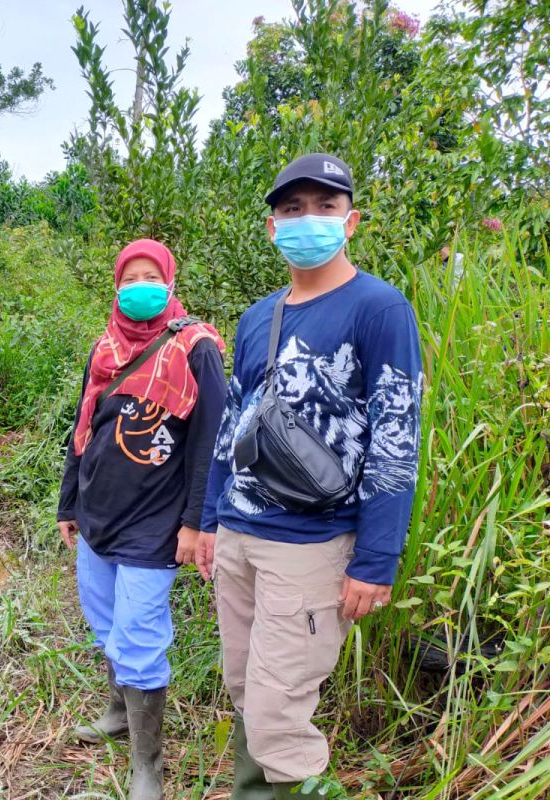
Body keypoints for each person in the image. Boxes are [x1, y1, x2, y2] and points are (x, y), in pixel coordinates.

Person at [197, 154, 423, 799]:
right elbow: (233, 425)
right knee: (245, 685)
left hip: (312, 545)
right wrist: (211, 519)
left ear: (350, 222)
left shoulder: (379, 308)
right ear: (272, 227)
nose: (309, 221)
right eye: (293, 209)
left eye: (325, 208)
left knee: (279, 707)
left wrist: (376, 559)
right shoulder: (258, 316)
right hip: (240, 534)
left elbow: (395, 436)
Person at [57, 240, 226, 800]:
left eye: (151, 276)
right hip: (98, 515)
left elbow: (210, 444)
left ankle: (146, 767)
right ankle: (116, 713)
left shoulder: (195, 348)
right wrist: (68, 504)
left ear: (171, 282)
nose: (139, 286)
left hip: (154, 525)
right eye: (130, 278)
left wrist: (196, 523)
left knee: (140, 636)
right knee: (106, 623)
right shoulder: (105, 348)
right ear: (116, 286)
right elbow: (83, 429)